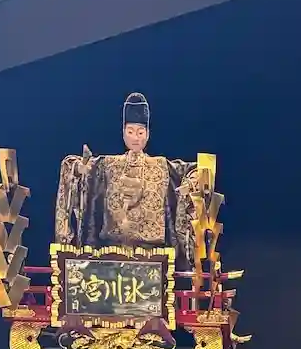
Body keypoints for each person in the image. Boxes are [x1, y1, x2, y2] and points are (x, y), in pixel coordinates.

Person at [55, 93, 203, 268]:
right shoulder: (108, 164)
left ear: (148, 134)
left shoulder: (162, 166)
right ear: (123, 133)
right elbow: (73, 165)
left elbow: (199, 170)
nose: (135, 137)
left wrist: (190, 184)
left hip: (153, 258)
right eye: (130, 132)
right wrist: (79, 169)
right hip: (111, 255)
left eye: (140, 132)